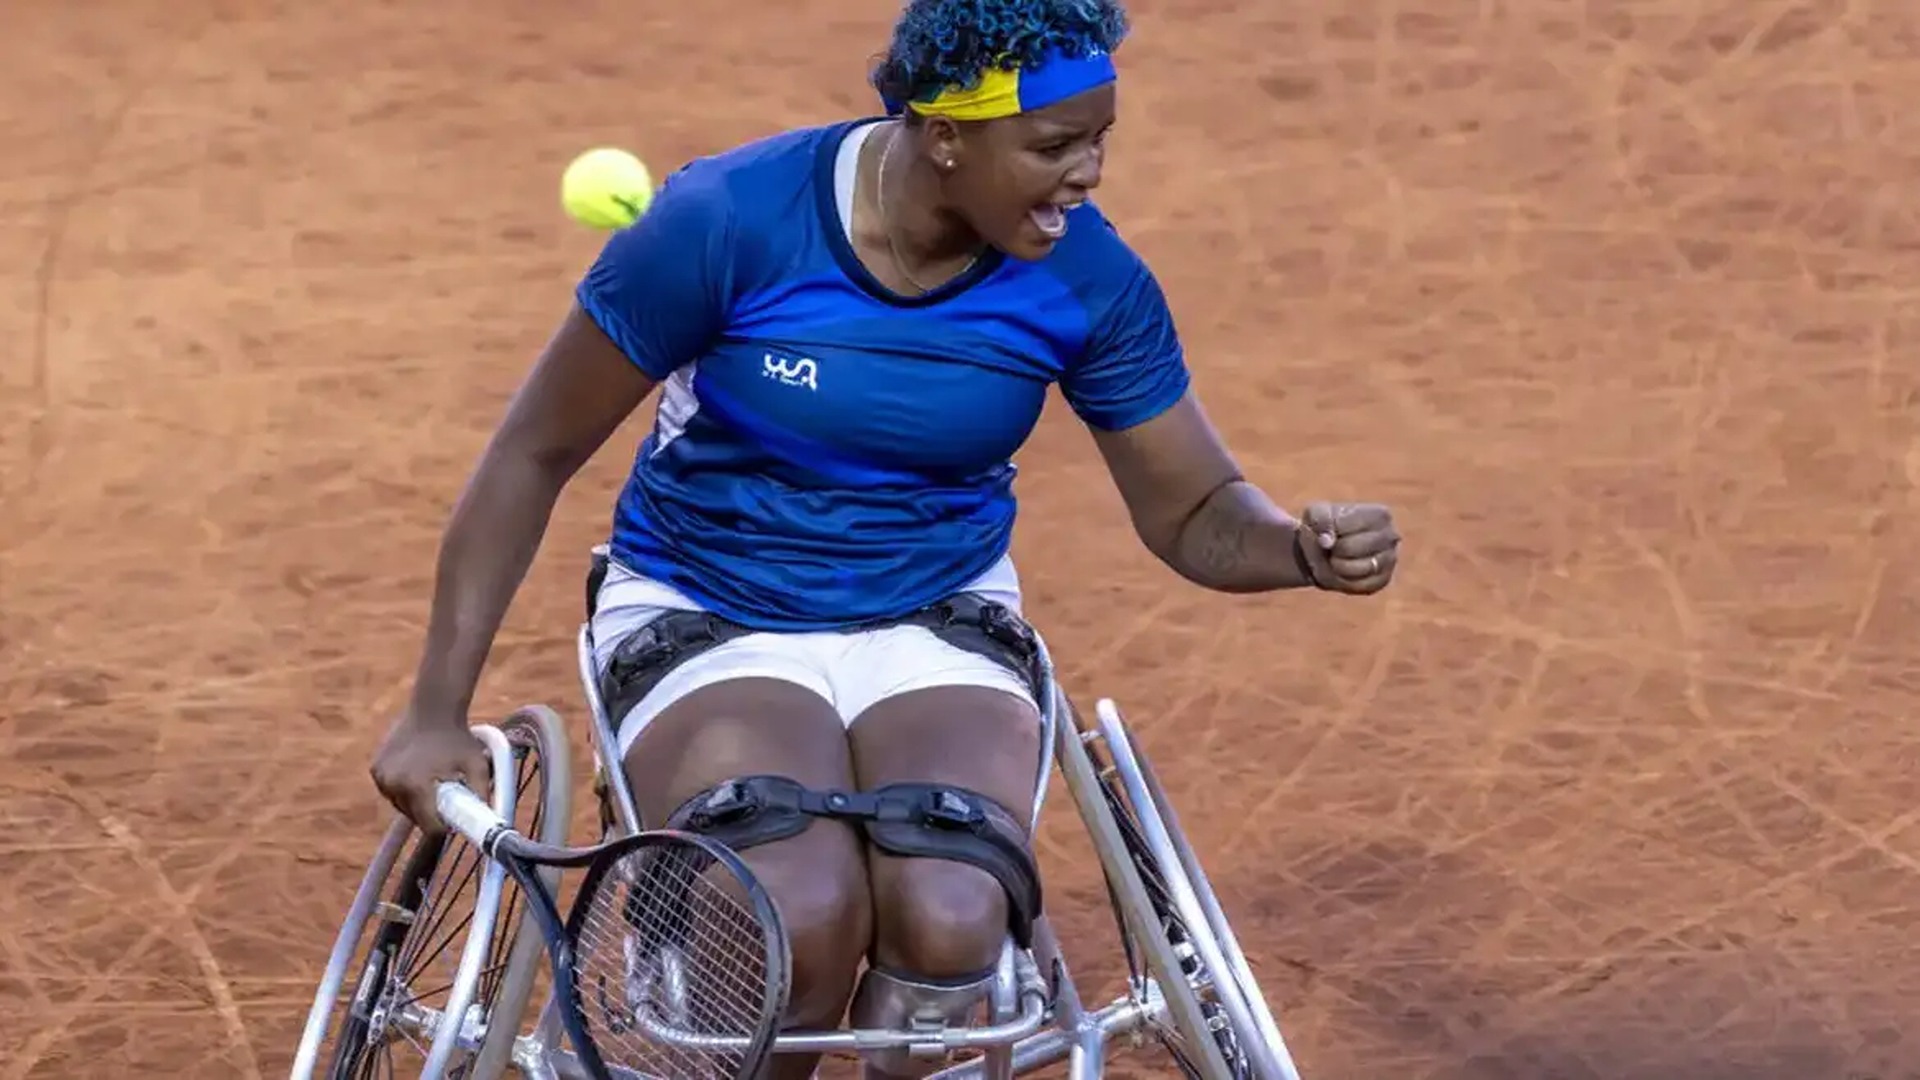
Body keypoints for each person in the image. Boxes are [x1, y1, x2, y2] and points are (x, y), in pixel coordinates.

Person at [369, 0, 1401, 1075]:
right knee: (797, 913)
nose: (1088, 174)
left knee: (952, 915)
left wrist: (1297, 551)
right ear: (945, 135)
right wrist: (435, 711)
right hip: (713, 609)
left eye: (1100, 141)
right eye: (1055, 146)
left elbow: (1194, 513)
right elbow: (531, 452)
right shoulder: (726, 222)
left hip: (935, 615)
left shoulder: (1086, 280)